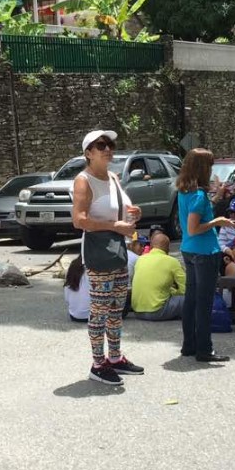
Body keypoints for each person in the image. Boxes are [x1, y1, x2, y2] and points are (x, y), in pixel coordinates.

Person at [71, 129, 144, 386]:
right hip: (99, 254)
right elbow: (78, 220)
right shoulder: (84, 181)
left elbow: (122, 214)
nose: (107, 149)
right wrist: (116, 226)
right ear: (88, 153)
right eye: (100, 145)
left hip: (117, 251)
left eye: (110, 144)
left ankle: (115, 358)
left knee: (116, 308)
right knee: (100, 310)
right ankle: (98, 363)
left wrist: (134, 214)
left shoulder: (113, 177)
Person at [178, 148, 235, 363]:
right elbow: (194, 227)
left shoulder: (185, 191)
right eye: (209, 166)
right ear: (203, 168)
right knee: (204, 302)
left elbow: (194, 217)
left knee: (191, 300)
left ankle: (189, 345)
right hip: (205, 251)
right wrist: (217, 222)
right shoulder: (199, 195)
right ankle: (204, 349)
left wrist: (217, 196)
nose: (211, 170)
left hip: (189, 249)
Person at [131, 233, 186, 321]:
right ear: (168, 248)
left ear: (151, 246)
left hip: (137, 311)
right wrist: (175, 292)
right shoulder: (172, 261)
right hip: (157, 311)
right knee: (190, 298)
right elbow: (185, 289)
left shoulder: (140, 259)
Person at [64, 256, 90, 322]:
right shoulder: (94, 267)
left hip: (73, 315)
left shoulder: (73, 264)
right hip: (91, 315)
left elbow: (66, 298)